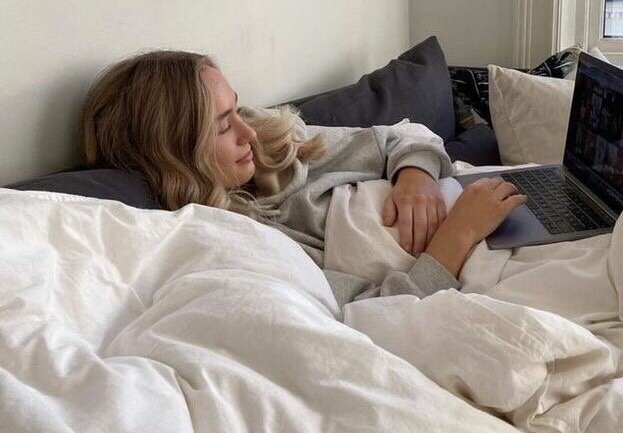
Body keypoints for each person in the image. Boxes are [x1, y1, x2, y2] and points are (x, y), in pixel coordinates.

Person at [81, 50, 525, 308]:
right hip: (468, 256)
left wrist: (416, 177)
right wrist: (458, 233)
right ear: (176, 153)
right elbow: (374, 311)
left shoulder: (276, 145)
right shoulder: (241, 244)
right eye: (222, 126)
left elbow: (400, 136)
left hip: (480, 198)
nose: (248, 133)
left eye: (237, 109)